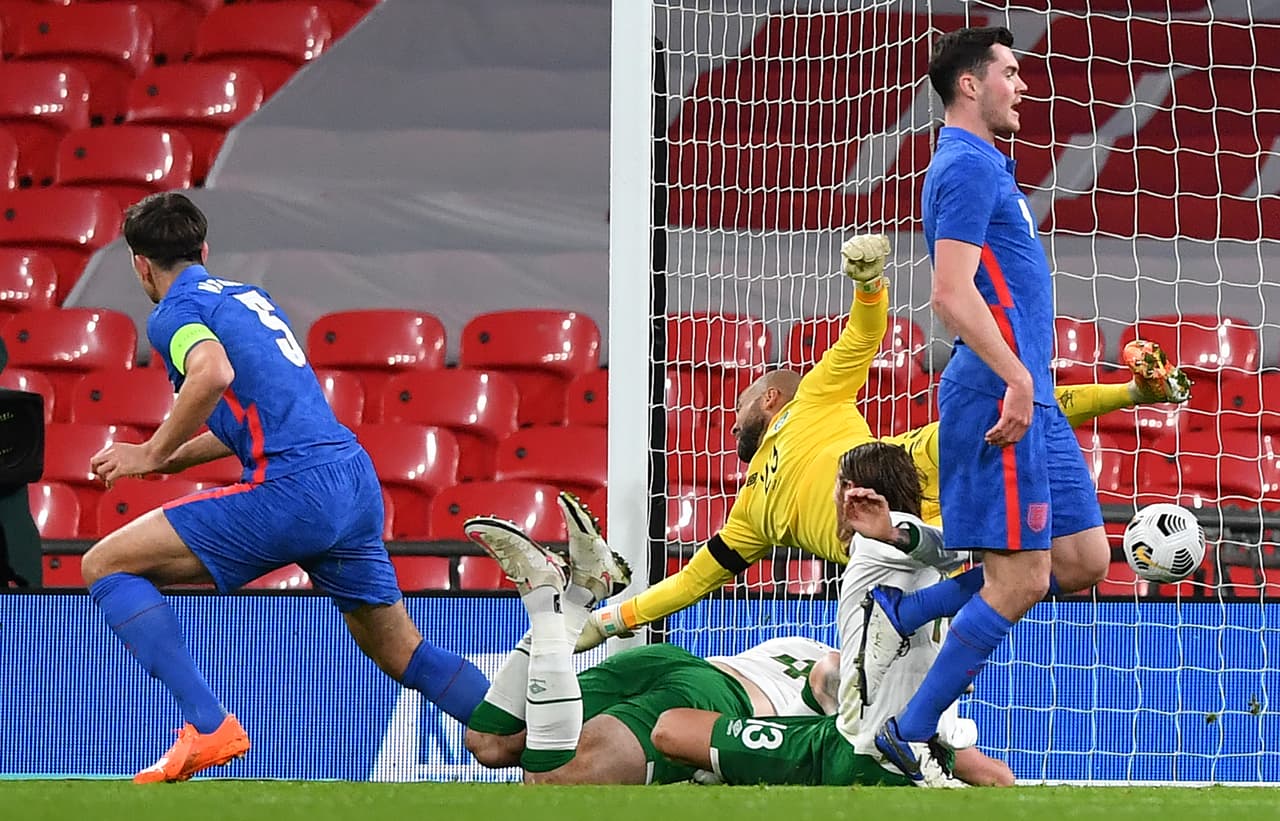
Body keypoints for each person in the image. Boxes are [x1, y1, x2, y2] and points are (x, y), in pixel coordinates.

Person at [575, 231, 1190, 650]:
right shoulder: (748, 516)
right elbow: (690, 583)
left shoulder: (811, 397)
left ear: (769, 400)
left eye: (739, 404)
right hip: (886, 559)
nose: (729, 419)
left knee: (1020, 415)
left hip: (907, 466)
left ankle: (1133, 395)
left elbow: (864, 334)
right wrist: (611, 621)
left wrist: (868, 282)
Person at [80, 192, 489, 783]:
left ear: (140, 264)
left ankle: (208, 723)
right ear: (204, 249)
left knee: (105, 565)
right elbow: (253, 412)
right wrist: (166, 462)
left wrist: (150, 449)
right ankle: (535, 737)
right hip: (350, 478)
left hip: (293, 489)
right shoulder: (249, 298)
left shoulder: (172, 312)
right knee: (400, 652)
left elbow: (212, 373)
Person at [863, 26, 1111, 785]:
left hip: (1026, 390)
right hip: (999, 391)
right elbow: (949, 295)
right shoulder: (964, 167)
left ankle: (908, 613)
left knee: (1082, 560)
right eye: (1010, 72)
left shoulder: (986, 166)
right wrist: (1017, 378)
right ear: (970, 85)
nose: (1023, 85)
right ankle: (905, 732)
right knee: (1023, 578)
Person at [650, 441, 1014, 788]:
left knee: (672, 727)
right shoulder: (929, 559)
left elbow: (922, 539)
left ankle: (743, 763)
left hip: (859, 753)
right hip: (927, 747)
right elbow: (949, 549)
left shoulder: (877, 542)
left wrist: (890, 531)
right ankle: (981, 769)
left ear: (850, 490)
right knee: (828, 669)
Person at [461, 493, 838, 784]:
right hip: (716, 702)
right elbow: (824, 695)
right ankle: (549, 602)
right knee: (551, 779)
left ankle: (576, 599)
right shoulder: (857, 679)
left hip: (670, 660)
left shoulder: (806, 643)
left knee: (489, 741)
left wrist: (607, 622)